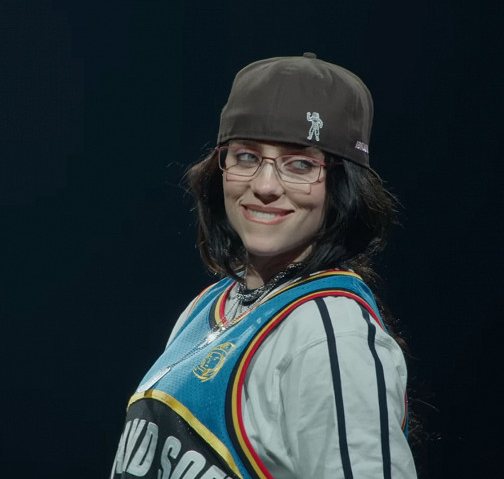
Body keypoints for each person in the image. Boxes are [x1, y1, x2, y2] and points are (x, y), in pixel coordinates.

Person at [110, 53, 418, 479]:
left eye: (301, 164)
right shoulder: (208, 306)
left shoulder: (330, 334)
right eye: (246, 157)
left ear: (343, 186)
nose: (265, 185)